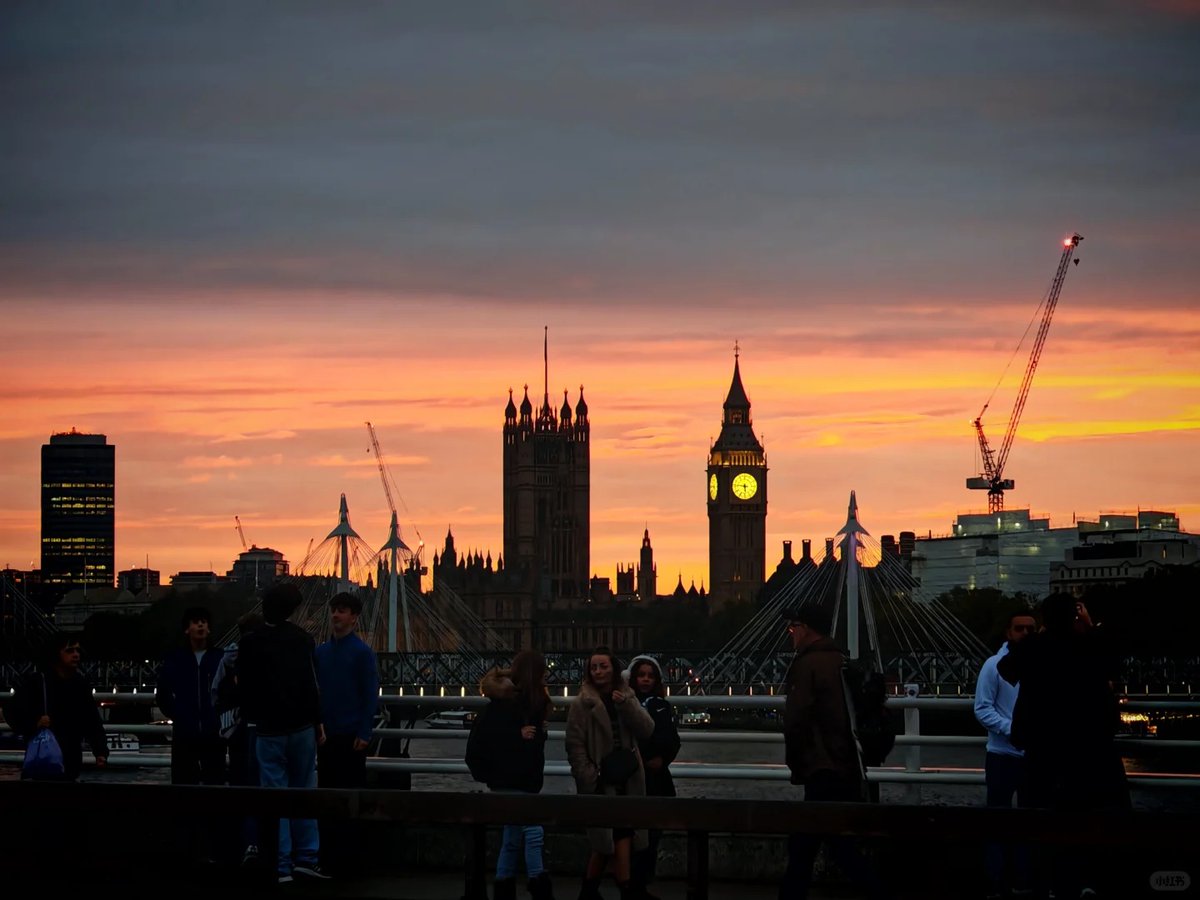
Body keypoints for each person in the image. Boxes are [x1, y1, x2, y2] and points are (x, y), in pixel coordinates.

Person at [998, 594, 1128, 899]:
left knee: (1041, 821)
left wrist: (1041, 635)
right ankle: (1088, 882)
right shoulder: (1090, 646)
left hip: (1043, 748)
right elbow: (1115, 663)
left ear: (1044, 618)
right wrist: (1090, 625)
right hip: (1089, 749)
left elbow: (1007, 669)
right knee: (1090, 817)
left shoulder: (1034, 647)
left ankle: (1047, 883)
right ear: (1075, 616)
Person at [780, 604, 888, 900]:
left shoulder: (807, 664)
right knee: (823, 843)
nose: (791, 633)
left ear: (806, 629)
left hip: (821, 767)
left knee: (818, 846)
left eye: (793, 628)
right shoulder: (841, 660)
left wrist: (798, 762)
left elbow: (796, 719)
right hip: (846, 764)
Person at [237, 582, 329, 884]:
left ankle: (281, 865)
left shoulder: (251, 642)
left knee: (276, 798)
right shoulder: (303, 639)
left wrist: (254, 717)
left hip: (268, 730)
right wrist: (318, 722)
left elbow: (244, 687)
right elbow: (311, 685)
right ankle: (308, 858)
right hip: (302, 727)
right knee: (305, 793)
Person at [565, 646, 655, 900]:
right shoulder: (582, 704)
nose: (598, 671)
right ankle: (627, 889)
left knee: (610, 839)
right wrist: (589, 775)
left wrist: (626, 705)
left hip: (627, 777)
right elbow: (575, 744)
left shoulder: (626, 695)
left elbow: (647, 729)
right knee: (618, 833)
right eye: (594, 667)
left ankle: (590, 890)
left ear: (614, 669)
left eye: (603, 666)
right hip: (601, 779)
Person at [465, 651, 555, 900]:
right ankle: (538, 884)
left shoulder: (518, 703)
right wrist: (519, 735)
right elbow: (497, 739)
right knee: (534, 832)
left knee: (512, 836)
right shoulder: (511, 705)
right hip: (515, 779)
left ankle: (503, 885)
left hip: (511, 780)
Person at [974, 610, 1037, 900]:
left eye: (1030, 629)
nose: (1025, 633)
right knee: (998, 820)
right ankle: (996, 881)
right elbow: (982, 708)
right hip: (1002, 754)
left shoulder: (1041, 665)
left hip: (1034, 755)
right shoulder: (993, 666)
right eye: (1019, 629)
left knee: (1031, 821)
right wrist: (1014, 730)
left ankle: (1023, 881)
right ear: (1008, 633)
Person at [314, 591, 379, 875]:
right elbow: (314, 695)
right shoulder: (320, 653)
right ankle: (328, 856)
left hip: (352, 736)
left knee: (351, 798)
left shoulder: (363, 653)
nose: (336, 615)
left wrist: (365, 732)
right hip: (326, 736)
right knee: (327, 798)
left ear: (354, 617)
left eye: (342, 611)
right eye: (333, 610)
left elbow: (369, 696)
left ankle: (352, 858)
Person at [3, 633, 109, 782]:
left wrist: (100, 751)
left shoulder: (80, 683)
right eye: (70, 651)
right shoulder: (38, 682)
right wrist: (35, 723)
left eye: (78, 651)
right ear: (56, 654)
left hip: (69, 759)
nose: (76, 655)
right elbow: (11, 711)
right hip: (45, 761)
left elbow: (92, 720)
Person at [624, 655, 680, 899]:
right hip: (636, 776)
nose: (645, 679)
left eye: (650, 676)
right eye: (641, 675)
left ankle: (642, 882)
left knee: (652, 835)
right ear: (633, 678)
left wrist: (662, 758)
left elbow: (672, 740)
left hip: (656, 778)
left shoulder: (662, 705)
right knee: (635, 835)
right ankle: (635, 884)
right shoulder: (628, 703)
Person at [212, 609, 265, 866]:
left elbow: (215, 693)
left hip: (232, 733)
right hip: (259, 731)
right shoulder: (264, 655)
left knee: (238, 787)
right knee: (261, 788)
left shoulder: (227, 659)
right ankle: (257, 844)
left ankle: (238, 846)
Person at [156, 606, 225, 786]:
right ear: (187, 629)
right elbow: (163, 693)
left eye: (204, 622)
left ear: (209, 628)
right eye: (196, 622)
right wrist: (178, 715)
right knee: (183, 783)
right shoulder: (176, 659)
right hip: (185, 732)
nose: (201, 625)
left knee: (215, 782)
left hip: (213, 732)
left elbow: (227, 693)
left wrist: (219, 717)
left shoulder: (220, 658)